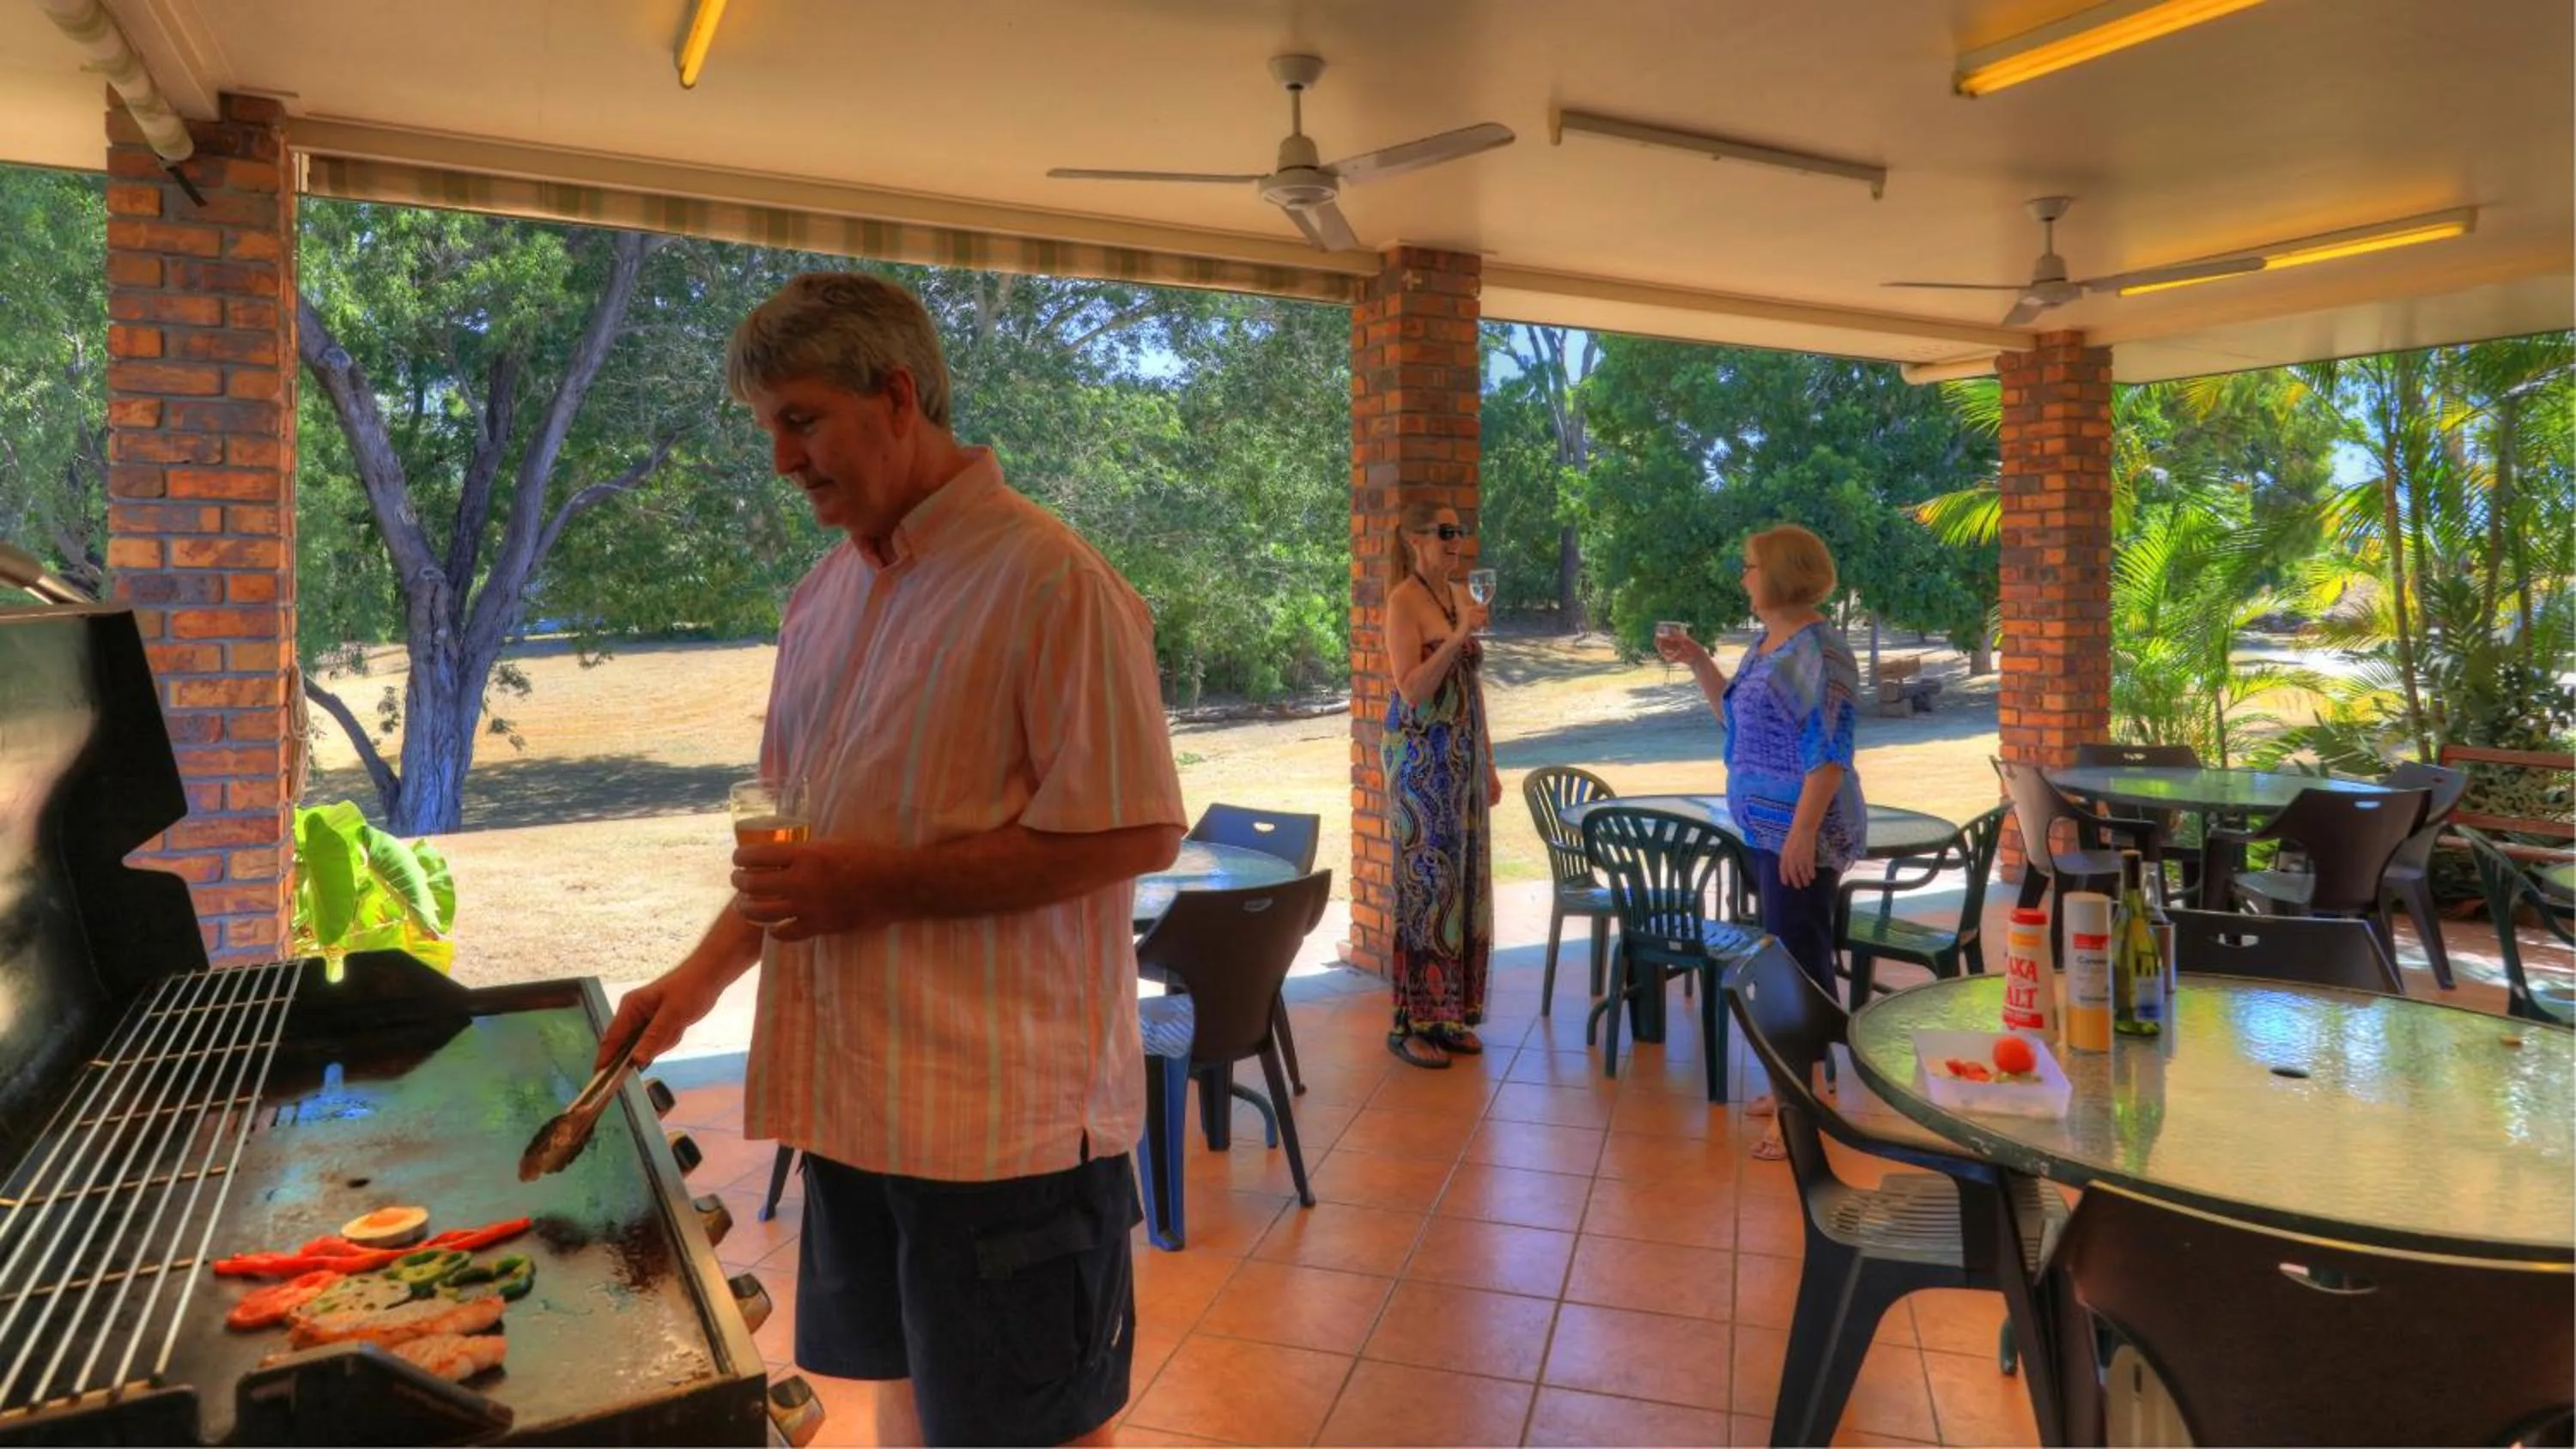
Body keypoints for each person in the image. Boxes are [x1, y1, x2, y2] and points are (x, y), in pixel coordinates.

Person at [598, 272, 1186, 1448]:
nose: (779, 459)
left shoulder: (1053, 583)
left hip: (1002, 1128)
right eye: (767, 427)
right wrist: (695, 982)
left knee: (1029, 1432)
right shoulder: (820, 599)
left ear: (899, 395)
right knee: (908, 1407)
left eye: (801, 419)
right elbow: (795, 857)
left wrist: (876, 885)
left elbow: (1137, 829)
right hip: (861, 1106)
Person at [1656, 524, 1865, 1161]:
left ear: (1778, 573)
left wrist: (1802, 833)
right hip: (1766, 831)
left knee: (1798, 969)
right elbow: (1735, 716)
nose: (1743, 577)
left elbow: (1829, 754)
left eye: (1749, 566)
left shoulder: (1820, 653)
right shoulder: (1767, 644)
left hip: (1802, 834)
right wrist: (1697, 660)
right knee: (1782, 960)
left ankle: (1801, 1110)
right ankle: (1786, 1088)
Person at [1378, 500, 1501, 1070]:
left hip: (1464, 764)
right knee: (1428, 892)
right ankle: (1411, 1023)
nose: (1458, 542)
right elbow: (1412, 689)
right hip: (1421, 767)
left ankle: (1450, 1016)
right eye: (1446, 532)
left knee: (1464, 890)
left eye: (1462, 532)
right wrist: (1456, 636)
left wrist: (1491, 764)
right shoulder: (1403, 602)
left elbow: (1471, 691)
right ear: (1416, 537)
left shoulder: (1457, 595)